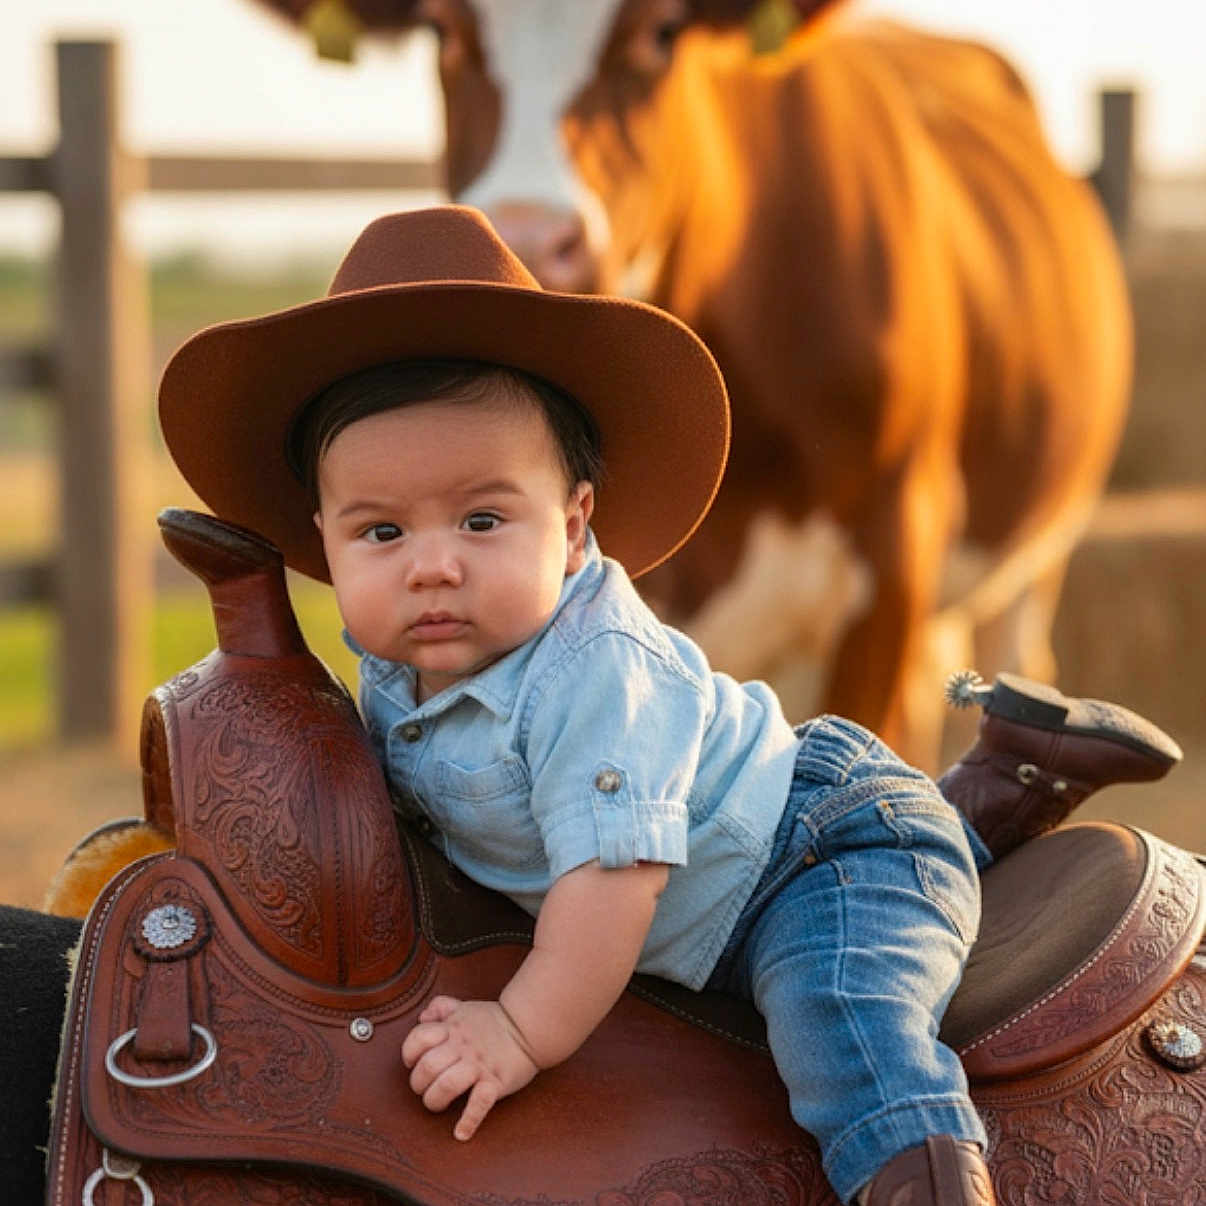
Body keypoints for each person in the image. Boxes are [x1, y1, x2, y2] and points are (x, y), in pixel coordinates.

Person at [157, 205, 1180, 1206]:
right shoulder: (403, 663)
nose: (433, 567)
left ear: (571, 526)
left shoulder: (596, 675)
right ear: (323, 543)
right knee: (915, 891)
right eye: (381, 533)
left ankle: (927, 1175)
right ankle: (1008, 775)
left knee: (843, 1015)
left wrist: (517, 1031)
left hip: (808, 858)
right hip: (734, 862)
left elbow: (614, 888)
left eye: (481, 519)